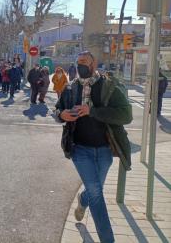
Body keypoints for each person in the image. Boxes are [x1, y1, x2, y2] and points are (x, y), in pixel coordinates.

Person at [55, 51, 132, 243]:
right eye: (78, 61)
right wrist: (61, 115)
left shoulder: (109, 86)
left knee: (93, 190)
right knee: (97, 193)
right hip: (79, 150)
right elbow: (57, 109)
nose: (80, 65)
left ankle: (82, 200)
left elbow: (126, 115)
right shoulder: (70, 88)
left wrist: (93, 111)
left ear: (94, 64)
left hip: (105, 150)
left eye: (85, 62)